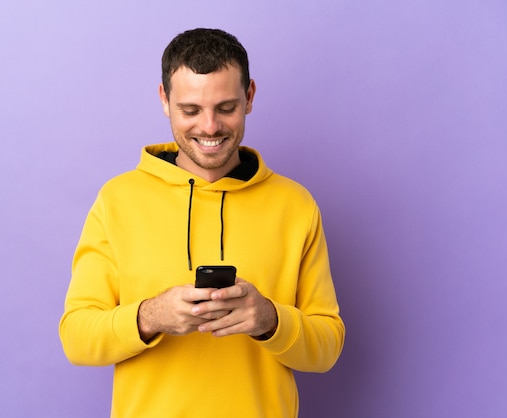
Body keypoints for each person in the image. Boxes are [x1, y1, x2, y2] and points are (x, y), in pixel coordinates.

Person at [59, 28, 345, 418]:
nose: (209, 127)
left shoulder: (295, 205)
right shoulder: (117, 200)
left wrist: (269, 319)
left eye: (225, 107)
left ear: (249, 97)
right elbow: (76, 338)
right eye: (190, 110)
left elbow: (327, 348)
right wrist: (150, 316)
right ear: (164, 100)